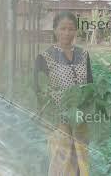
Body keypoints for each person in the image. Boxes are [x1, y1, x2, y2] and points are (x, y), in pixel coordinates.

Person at [34, 11, 92, 176]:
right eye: (62, 28)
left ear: (76, 31)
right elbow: (39, 90)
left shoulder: (83, 54)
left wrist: (85, 106)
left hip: (80, 115)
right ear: (55, 30)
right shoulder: (44, 58)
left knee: (80, 155)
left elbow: (90, 84)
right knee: (62, 156)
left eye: (71, 29)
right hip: (59, 117)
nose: (67, 33)